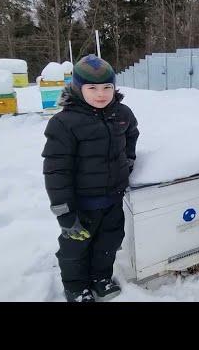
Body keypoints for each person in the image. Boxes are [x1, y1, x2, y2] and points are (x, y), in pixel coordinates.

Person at [42, 54, 139, 302]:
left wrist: (128, 158)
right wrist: (64, 211)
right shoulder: (64, 123)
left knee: (109, 242)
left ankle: (101, 278)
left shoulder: (121, 113)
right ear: (77, 88)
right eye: (92, 88)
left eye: (107, 87)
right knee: (75, 248)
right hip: (81, 204)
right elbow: (56, 170)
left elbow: (132, 133)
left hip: (113, 198)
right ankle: (76, 286)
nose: (101, 94)